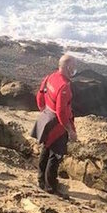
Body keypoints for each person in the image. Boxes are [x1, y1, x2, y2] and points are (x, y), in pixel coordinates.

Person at [33, 54, 78, 195]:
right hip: (57, 126)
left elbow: (40, 95)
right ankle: (50, 186)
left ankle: (41, 179)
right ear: (68, 67)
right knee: (55, 155)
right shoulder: (64, 86)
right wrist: (70, 130)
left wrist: (44, 111)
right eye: (74, 66)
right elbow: (61, 111)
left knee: (46, 149)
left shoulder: (50, 77)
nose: (75, 69)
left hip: (47, 118)